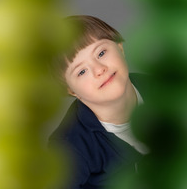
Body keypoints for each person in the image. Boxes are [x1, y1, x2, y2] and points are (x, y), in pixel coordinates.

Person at [48, 15, 149, 189]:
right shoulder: (68, 147)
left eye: (101, 53)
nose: (99, 70)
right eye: (81, 72)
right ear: (72, 90)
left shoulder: (160, 91)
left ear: (120, 48)